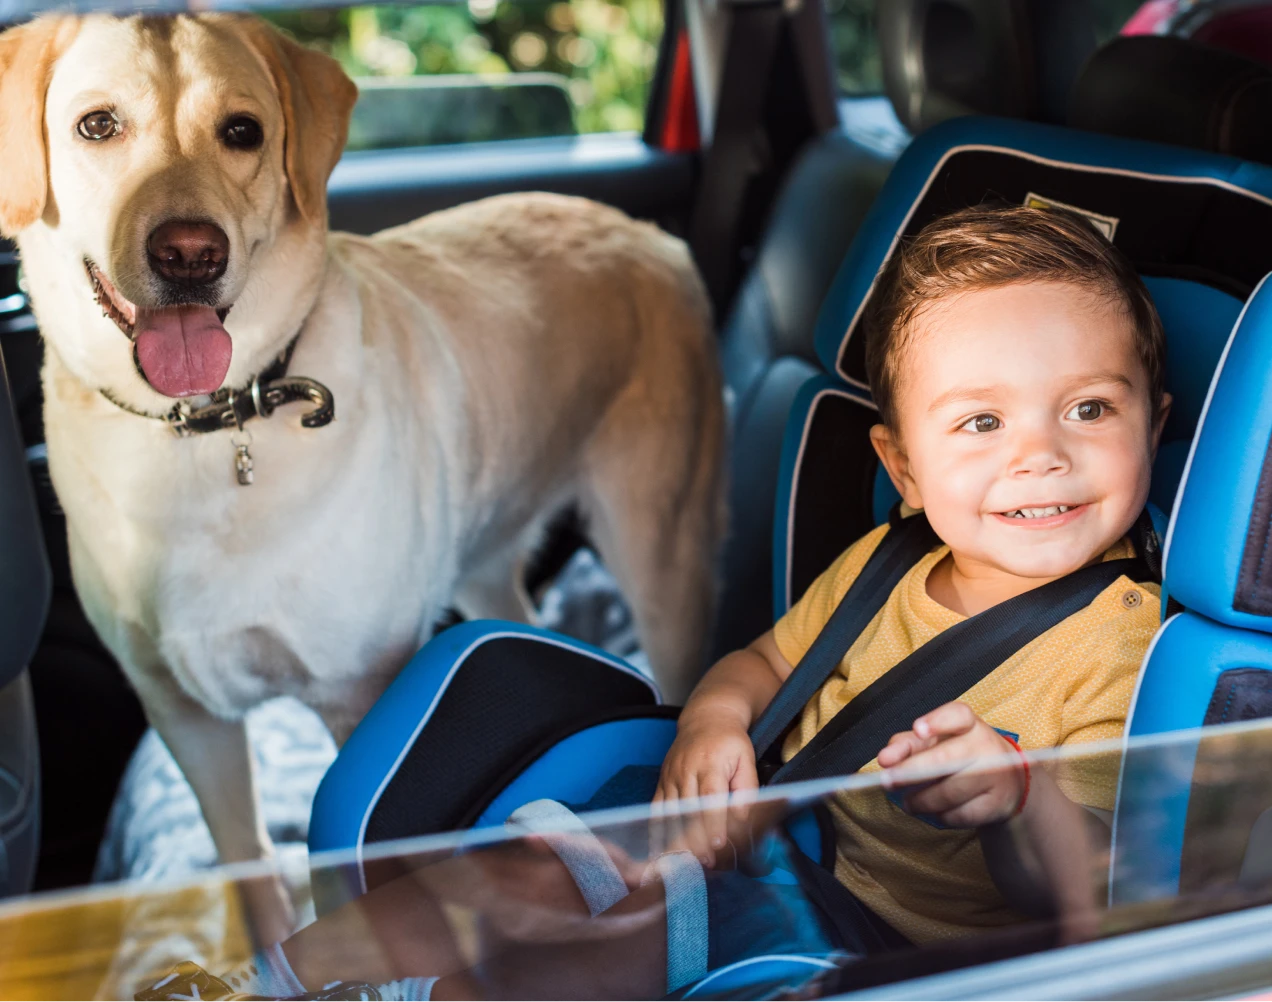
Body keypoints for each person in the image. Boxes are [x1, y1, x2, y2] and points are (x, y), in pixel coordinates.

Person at [137, 203, 1171, 1002]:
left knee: (605, 943)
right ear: (901, 467)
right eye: (981, 423)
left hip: (894, 954)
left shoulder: (1122, 646)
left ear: (1154, 425)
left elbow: (1086, 897)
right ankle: (267, 982)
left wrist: (1021, 797)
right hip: (788, 851)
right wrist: (717, 723)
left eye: (1088, 408)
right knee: (538, 865)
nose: (1040, 453)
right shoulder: (889, 561)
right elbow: (762, 664)